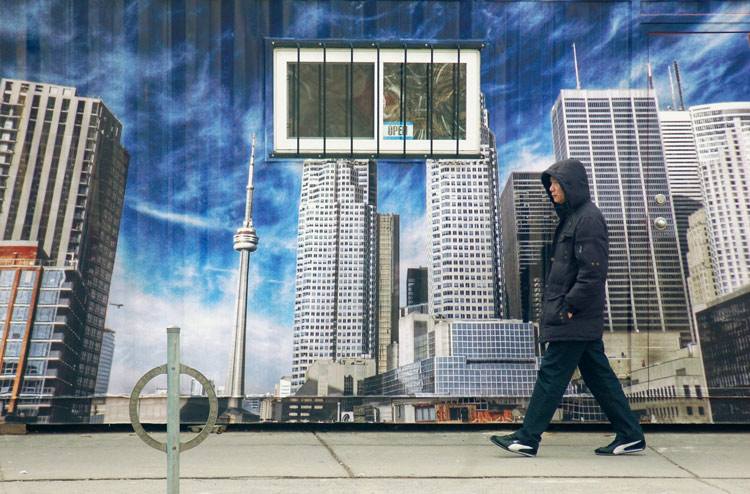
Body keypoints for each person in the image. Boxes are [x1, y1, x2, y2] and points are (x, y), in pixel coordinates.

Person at [490, 158, 645, 457]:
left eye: (555, 183)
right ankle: (630, 434)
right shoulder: (574, 217)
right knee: (599, 376)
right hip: (575, 317)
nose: (551, 189)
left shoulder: (588, 219)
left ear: (570, 185)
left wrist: (569, 308)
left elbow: (593, 272)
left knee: (551, 373)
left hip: (573, 317)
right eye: (550, 184)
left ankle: (527, 437)